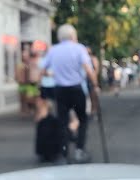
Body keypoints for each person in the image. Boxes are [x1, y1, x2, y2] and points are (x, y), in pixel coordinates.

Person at [41, 24, 99, 164]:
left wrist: (52, 73)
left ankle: (64, 152)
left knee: (63, 121)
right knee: (82, 119)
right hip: (76, 89)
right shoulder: (79, 49)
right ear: (73, 36)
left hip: (60, 90)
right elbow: (88, 69)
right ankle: (79, 150)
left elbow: (42, 69)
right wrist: (95, 85)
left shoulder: (53, 50)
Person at [86, 47, 99, 115]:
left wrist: (94, 80)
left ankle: (93, 110)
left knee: (93, 96)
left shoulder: (93, 59)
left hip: (91, 79)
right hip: (85, 79)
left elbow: (96, 70)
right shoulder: (83, 59)